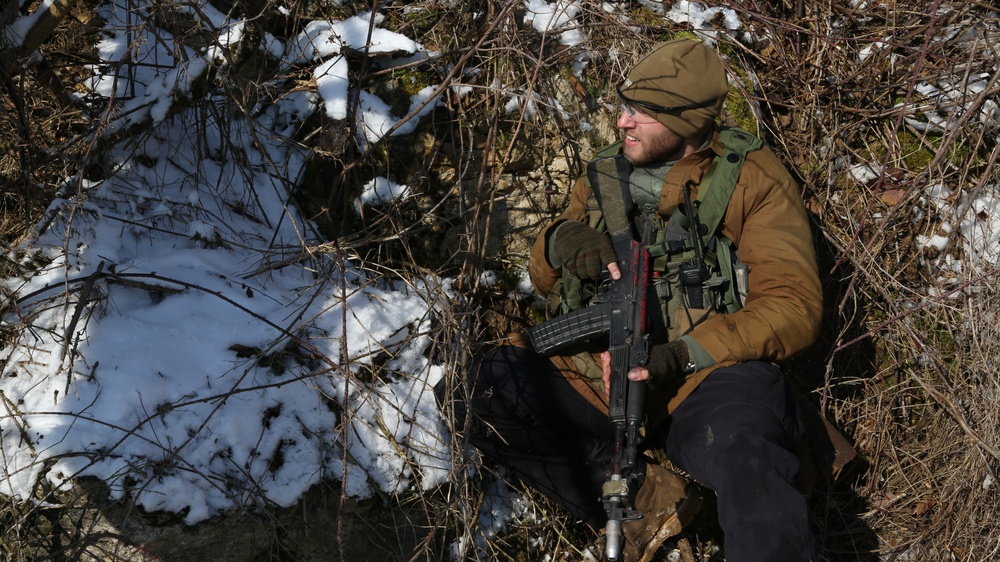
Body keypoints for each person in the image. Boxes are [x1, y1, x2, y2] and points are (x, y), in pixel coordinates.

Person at [438, 38, 824, 562]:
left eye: (641, 113)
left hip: (704, 375)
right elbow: (544, 282)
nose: (623, 122)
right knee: (479, 390)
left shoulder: (752, 179)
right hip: (598, 368)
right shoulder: (604, 173)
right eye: (624, 107)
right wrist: (558, 242)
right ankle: (649, 499)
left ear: (686, 121)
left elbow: (794, 306)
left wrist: (683, 354)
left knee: (749, 454)